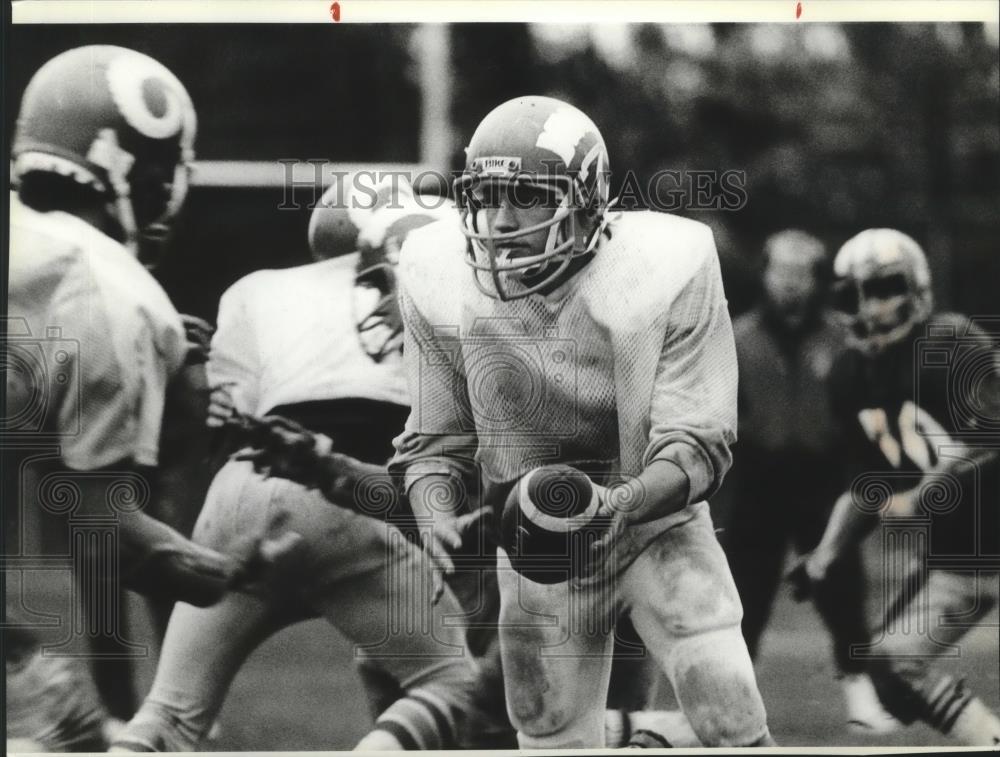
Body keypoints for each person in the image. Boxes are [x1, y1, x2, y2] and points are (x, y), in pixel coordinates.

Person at [387, 94, 774, 748]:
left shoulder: (666, 264)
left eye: (529, 195)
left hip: (655, 522)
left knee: (726, 708)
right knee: (547, 729)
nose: (501, 218)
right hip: (536, 539)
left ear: (587, 201)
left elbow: (698, 444)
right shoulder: (434, 269)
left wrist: (618, 501)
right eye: (487, 194)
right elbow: (432, 441)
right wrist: (436, 520)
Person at [110, 179, 497, 752]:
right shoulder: (454, 298)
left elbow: (223, 426)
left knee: (171, 712)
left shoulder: (259, 290)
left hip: (244, 487)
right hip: (348, 496)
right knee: (461, 690)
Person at [5, 46, 288, 752]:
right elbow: (118, 540)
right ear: (136, 170)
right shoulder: (113, 292)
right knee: (46, 717)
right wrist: (225, 570)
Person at [790, 228, 1000, 746]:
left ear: (917, 289)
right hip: (963, 556)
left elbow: (991, 428)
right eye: (853, 294)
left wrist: (927, 490)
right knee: (889, 667)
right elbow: (868, 486)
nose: (868, 307)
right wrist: (825, 555)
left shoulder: (949, 340)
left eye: (884, 289)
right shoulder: (848, 374)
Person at [716, 230, 895, 732]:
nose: (791, 284)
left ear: (816, 280)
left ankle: (861, 697)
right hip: (759, 476)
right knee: (745, 592)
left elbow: (867, 412)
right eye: (782, 272)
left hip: (824, 477)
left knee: (842, 588)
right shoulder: (737, 337)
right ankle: (736, 702)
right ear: (765, 274)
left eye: (802, 274)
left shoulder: (845, 339)